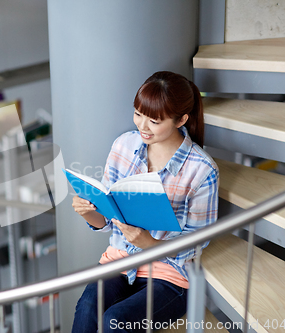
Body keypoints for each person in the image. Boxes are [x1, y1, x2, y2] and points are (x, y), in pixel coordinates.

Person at [71, 71, 219, 333]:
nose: (142, 126)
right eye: (138, 114)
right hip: (120, 260)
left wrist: (149, 244)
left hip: (170, 275)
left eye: (154, 120)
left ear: (181, 119)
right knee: (87, 309)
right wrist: (87, 212)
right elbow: (106, 221)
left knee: (116, 321)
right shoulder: (123, 146)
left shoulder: (202, 169)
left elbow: (198, 239)